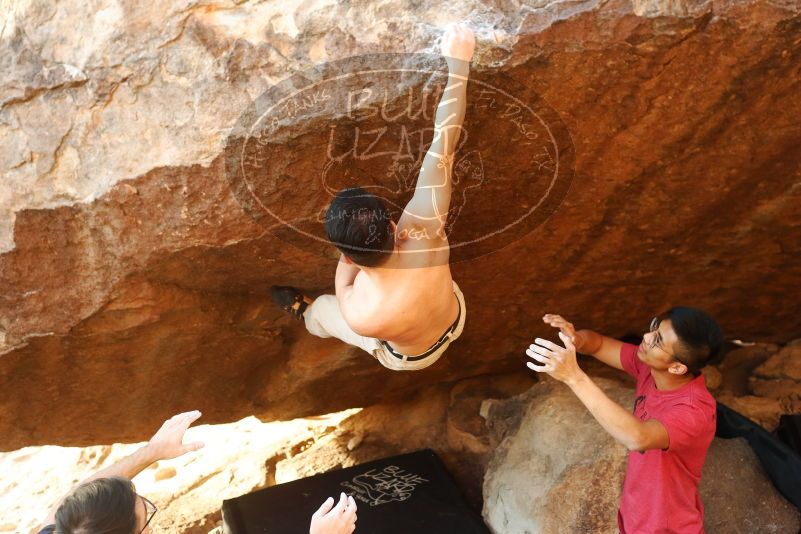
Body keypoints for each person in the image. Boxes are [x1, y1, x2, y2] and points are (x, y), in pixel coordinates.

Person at [271, 23, 475, 371]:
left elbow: (345, 283)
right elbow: (444, 148)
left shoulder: (364, 315)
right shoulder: (425, 234)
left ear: (345, 257)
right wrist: (460, 65)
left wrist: (350, 254)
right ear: (395, 226)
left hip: (411, 356)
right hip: (453, 316)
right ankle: (309, 312)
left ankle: (305, 314)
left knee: (323, 309)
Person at [526, 308, 724, 533]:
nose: (647, 338)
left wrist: (574, 377)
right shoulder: (650, 369)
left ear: (677, 367)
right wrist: (576, 339)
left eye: (657, 341)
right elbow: (598, 344)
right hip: (636, 517)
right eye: (654, 328)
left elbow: (638, 437)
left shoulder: (694, 410)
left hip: (666, 527)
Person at [37, 410, 357, 534]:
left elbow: (68, 504)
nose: (152, 517)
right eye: (145, 516)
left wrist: (152, 451)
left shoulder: (63, 530)